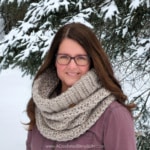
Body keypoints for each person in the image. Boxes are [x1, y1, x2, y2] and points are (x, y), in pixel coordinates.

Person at [26, 22, 137, 150]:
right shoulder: (41, 108)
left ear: (92, 61)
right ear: (54, 61)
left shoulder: (113, 115)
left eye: (81, 58)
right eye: (64, 57)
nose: (72, 66)